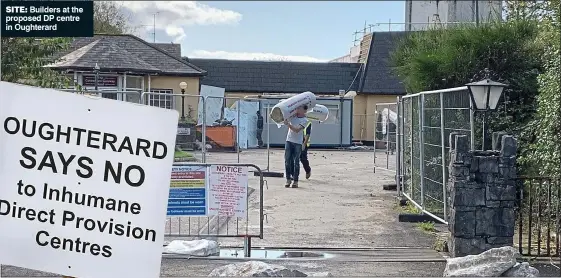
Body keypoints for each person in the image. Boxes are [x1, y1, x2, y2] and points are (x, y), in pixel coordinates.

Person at [283, 105, 308, 188]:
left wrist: (288, 125)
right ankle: (288, 179)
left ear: (304, 111)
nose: (297, 109)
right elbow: (284, 117)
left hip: (297, 142)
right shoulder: (292, 116)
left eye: (300, 108)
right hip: (289, 140)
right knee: (287, 160)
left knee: (296, 162)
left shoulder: (305, 120)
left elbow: (297, 130)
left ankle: (295, 181)